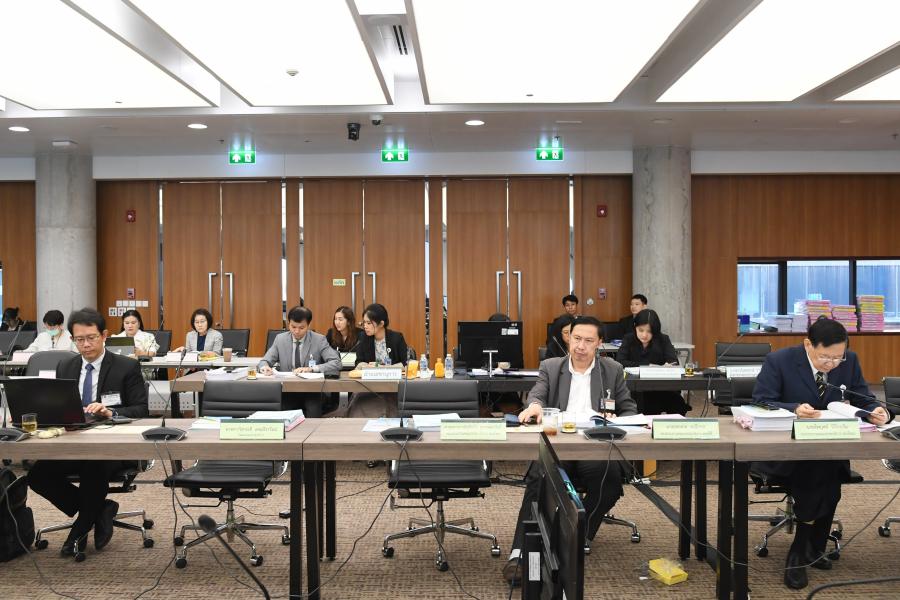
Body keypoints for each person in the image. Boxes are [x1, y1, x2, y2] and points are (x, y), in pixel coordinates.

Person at [752, 317, 887, 590]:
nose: (833, 364)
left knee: (826, 469)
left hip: (829, 447)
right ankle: (802, 549)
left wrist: (875, 410)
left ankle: (809, 548)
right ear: (808, 345)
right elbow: (761, 400)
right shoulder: (780, 361)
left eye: (838, 358)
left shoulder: (849, 360)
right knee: (824, 474)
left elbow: (863, 396)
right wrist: (793, 408)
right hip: (785, 453)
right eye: (826, 357)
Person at [504, 316, 636, 584]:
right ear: (568, 339)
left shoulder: (612, 369)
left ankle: (574, 537)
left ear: (599, 343)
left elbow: (629, 410)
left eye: (588, 340)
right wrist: (535, 406)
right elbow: (537, 394)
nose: (580, 346)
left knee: (609, 479)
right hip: (557, 446)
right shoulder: (552, 367)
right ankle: (519, 554)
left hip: (594, 447)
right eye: (576, 339)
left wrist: (616, 421)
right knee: (538, 477)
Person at [27, 308, 149, 557]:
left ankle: (79, 532)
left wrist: (110, 412)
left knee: (94, 466)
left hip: (112, 447)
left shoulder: (126, 366)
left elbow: (141, 410)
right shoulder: (66, 366)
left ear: (104, 335)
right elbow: (57, 405)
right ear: (72, 339)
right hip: (72, 442)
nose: (86, 344)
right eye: (79, 339)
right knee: (37, 476)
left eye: (91, 338)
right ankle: (100, 509)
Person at [258, 305, 340, 415]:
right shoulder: (280, 339)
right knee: (285, 413)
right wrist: (265, 367)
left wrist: (312, 369)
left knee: (313, 412)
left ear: (308, 325)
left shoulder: (319, 340)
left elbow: (336, 362)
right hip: (288, 390)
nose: (296, 331)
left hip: (312, 390)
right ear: (288, 323)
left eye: (301, 328)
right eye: (293, 327)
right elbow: (264, 361)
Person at [615, 309, 686, 414]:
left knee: (678, 404)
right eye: (641, 330)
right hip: (635, 388)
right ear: (635, 327)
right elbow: (620, 362)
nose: (644, 335)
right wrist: (648, 365)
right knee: (641, 402)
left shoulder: (663, 339)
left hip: (659, 387)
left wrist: (668, 366)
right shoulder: (629, 339)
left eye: (649, 331)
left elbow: (673, 362)